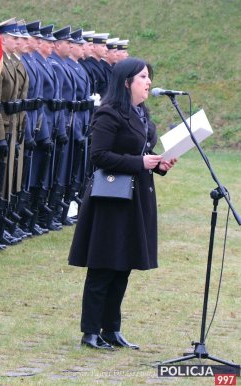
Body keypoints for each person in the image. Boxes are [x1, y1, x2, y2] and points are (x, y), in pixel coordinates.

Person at [68, 57, 176, 350]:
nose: (149, 82)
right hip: (111, 199)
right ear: (127, 82)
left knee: (123, 265)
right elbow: (99, 156)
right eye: (143, 77)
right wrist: (139, 162)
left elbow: (143, 152)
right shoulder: (109, 113)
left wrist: (158, 165)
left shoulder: (141, 113)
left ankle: (111, 329)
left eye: (149, 77)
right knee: (104, 265)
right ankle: (90, 331)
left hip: (136, 198)